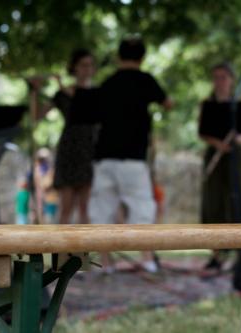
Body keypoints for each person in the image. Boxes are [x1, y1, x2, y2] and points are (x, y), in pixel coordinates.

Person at [89, 37, 171, 273]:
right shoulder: (145, 81)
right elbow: (168, 103)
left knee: (102, 211)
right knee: (142, 209)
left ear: (119, 57)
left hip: (104, 157)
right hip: (132, 158)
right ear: (142, 58)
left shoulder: (108, 83)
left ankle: (104, 263)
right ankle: (146, 259)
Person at [29, 49, 98, 224]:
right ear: (74, 67)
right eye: (83, 65)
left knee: (86, 207)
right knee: (66, 207)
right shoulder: (63, 94)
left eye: (90, 65)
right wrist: (35, 91)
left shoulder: (97, 94)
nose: (87, 69)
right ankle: (62, 252)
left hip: (90, 149)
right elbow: (36, 115)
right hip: (70, 149)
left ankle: (83, 252)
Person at [199, 63, 241, 270]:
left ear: (231, 80)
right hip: (215, 156)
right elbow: (202, 132)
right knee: (214, 201)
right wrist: (218, 144)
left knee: (236, 200)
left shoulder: (239, 104)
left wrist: (236, 139)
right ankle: (217, 254)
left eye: (223, 77)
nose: (219, 82)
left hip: (235, 157)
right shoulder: (207, 104)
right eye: (216, 77)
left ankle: (240, 254)